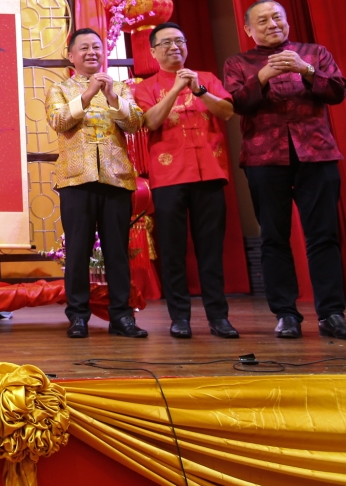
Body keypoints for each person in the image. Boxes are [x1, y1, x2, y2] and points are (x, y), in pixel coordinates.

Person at [223, 0, 346, 341]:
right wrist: (263, 76)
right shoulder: (238, 63)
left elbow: (338, 91)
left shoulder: (313, 53)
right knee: (273, 238)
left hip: (316, 154)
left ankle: (332, 313)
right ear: (248, 29)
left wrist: (306, 70)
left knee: (324, 235)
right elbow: (235, 103)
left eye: (278, 17)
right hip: (264, 158)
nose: (272, 24)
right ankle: (286, 314)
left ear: (286, 21)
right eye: (263, 20)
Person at [133, 22, 239, 339]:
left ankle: (219, 318)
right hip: (168, 179)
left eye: (179, 41)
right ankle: (180, 318)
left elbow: (228, 111)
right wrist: (178, 89)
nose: (173, 47)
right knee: (173, 251)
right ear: (153, 51)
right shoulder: (145, 87)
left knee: (210, 251)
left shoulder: (206, 79)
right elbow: (150, 121)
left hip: (209, 174)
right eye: (165, 43)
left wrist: (198, 89)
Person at [46, 28, 148, 339]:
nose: (92, 52)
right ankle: (78, 316)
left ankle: (122, 316)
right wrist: (88, 94)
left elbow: (135, 123)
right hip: (76, 179)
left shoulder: (120, 88)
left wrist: (113, 97)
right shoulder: (60, 89)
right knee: (78, 251)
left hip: (116, 178)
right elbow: (59, 122)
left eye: (97, 47)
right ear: (71, 55)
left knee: (117, 250)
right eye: (84, 48)